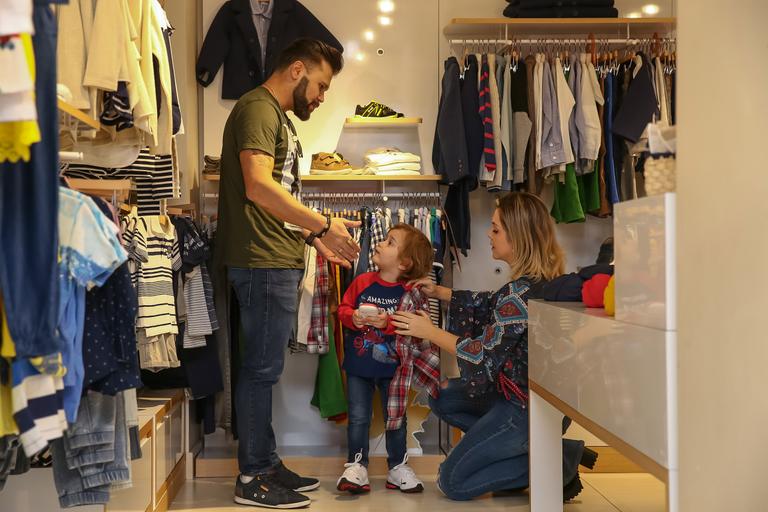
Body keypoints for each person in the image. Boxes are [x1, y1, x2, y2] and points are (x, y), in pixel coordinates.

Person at [215, 38, 361, 509]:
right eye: (320, 85)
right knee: (260, 372)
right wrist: (321, 222)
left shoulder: (275, 118)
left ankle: (266, 463)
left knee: (265, 371)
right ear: (297, 70)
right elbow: (258, 188)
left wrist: (316, 238)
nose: (320, 97)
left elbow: (274, 202)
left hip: (273, 256)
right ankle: (253, 478)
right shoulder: (258, 109)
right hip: (260, 263)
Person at [391, 192, 589, 501]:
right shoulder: (535, 281)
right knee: (442, 396)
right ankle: (534, 446)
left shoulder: (519, 294)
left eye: (496, 229)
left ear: (519, 236)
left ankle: (557, 460)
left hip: (525, 408)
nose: (488, 233)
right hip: (524, 398)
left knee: (452, 482)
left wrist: (428, 330)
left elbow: (482, 355)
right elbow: (491, 305)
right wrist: (441, 292)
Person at [335, 224, 433, 495]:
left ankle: (397, 466)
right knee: (358, 418)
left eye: (390, 242)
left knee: (396, 418)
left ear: (404, 262)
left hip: (395, 371)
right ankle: (356, 466)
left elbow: (413, 326)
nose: (379, 243)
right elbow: (342, 309)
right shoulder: (362, 281)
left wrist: (387, 322)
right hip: (359, 367)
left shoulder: (410, 293)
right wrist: (352, 317)